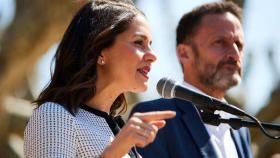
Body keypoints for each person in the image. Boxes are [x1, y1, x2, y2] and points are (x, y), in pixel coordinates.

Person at [23, 0, 176, 157]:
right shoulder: (54, 116)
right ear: (99, 51)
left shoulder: (118, 129)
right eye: (139, 42)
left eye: (150, 44)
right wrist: (113, 152)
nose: (152, 55)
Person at [130, 2, 253, 158]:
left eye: (239, 44)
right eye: (220, 42)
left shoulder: (241, 128)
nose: (235, 55)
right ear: (184, 54)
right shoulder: (153, 117)